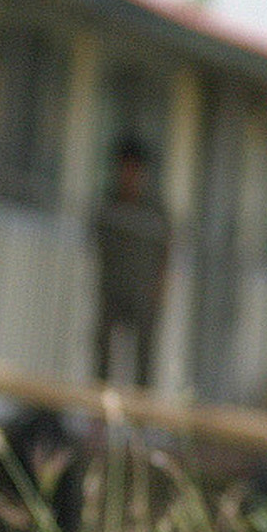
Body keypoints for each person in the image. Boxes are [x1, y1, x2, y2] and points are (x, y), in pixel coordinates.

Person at [92, 137, 172, 388]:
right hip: (113, 290)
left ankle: (140, 419)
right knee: (103, 351)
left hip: (143, 294)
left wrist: (159, 287)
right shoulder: (110, 202)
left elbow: (166, 250)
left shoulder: (154, 210)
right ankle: (99, 415)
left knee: (144, 361)